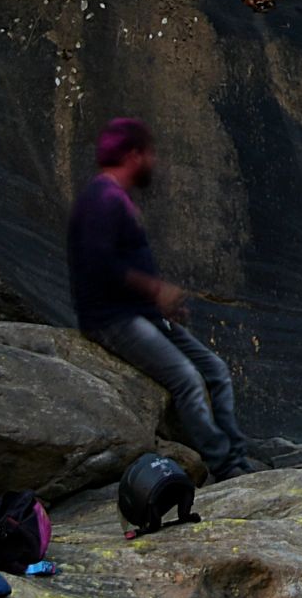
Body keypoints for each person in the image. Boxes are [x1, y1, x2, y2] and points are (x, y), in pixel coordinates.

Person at [66, 118, 253, 480]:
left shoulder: (116, 199)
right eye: (150, 153)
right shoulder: (101, 200)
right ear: (133, 155)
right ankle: (225, 465)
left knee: (215, 370)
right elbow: (98, 264)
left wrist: (159, 304)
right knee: (187, 378)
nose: (155, 161)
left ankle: (238, 455)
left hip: (141, 313)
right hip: (113, 319)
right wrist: (155, 290)